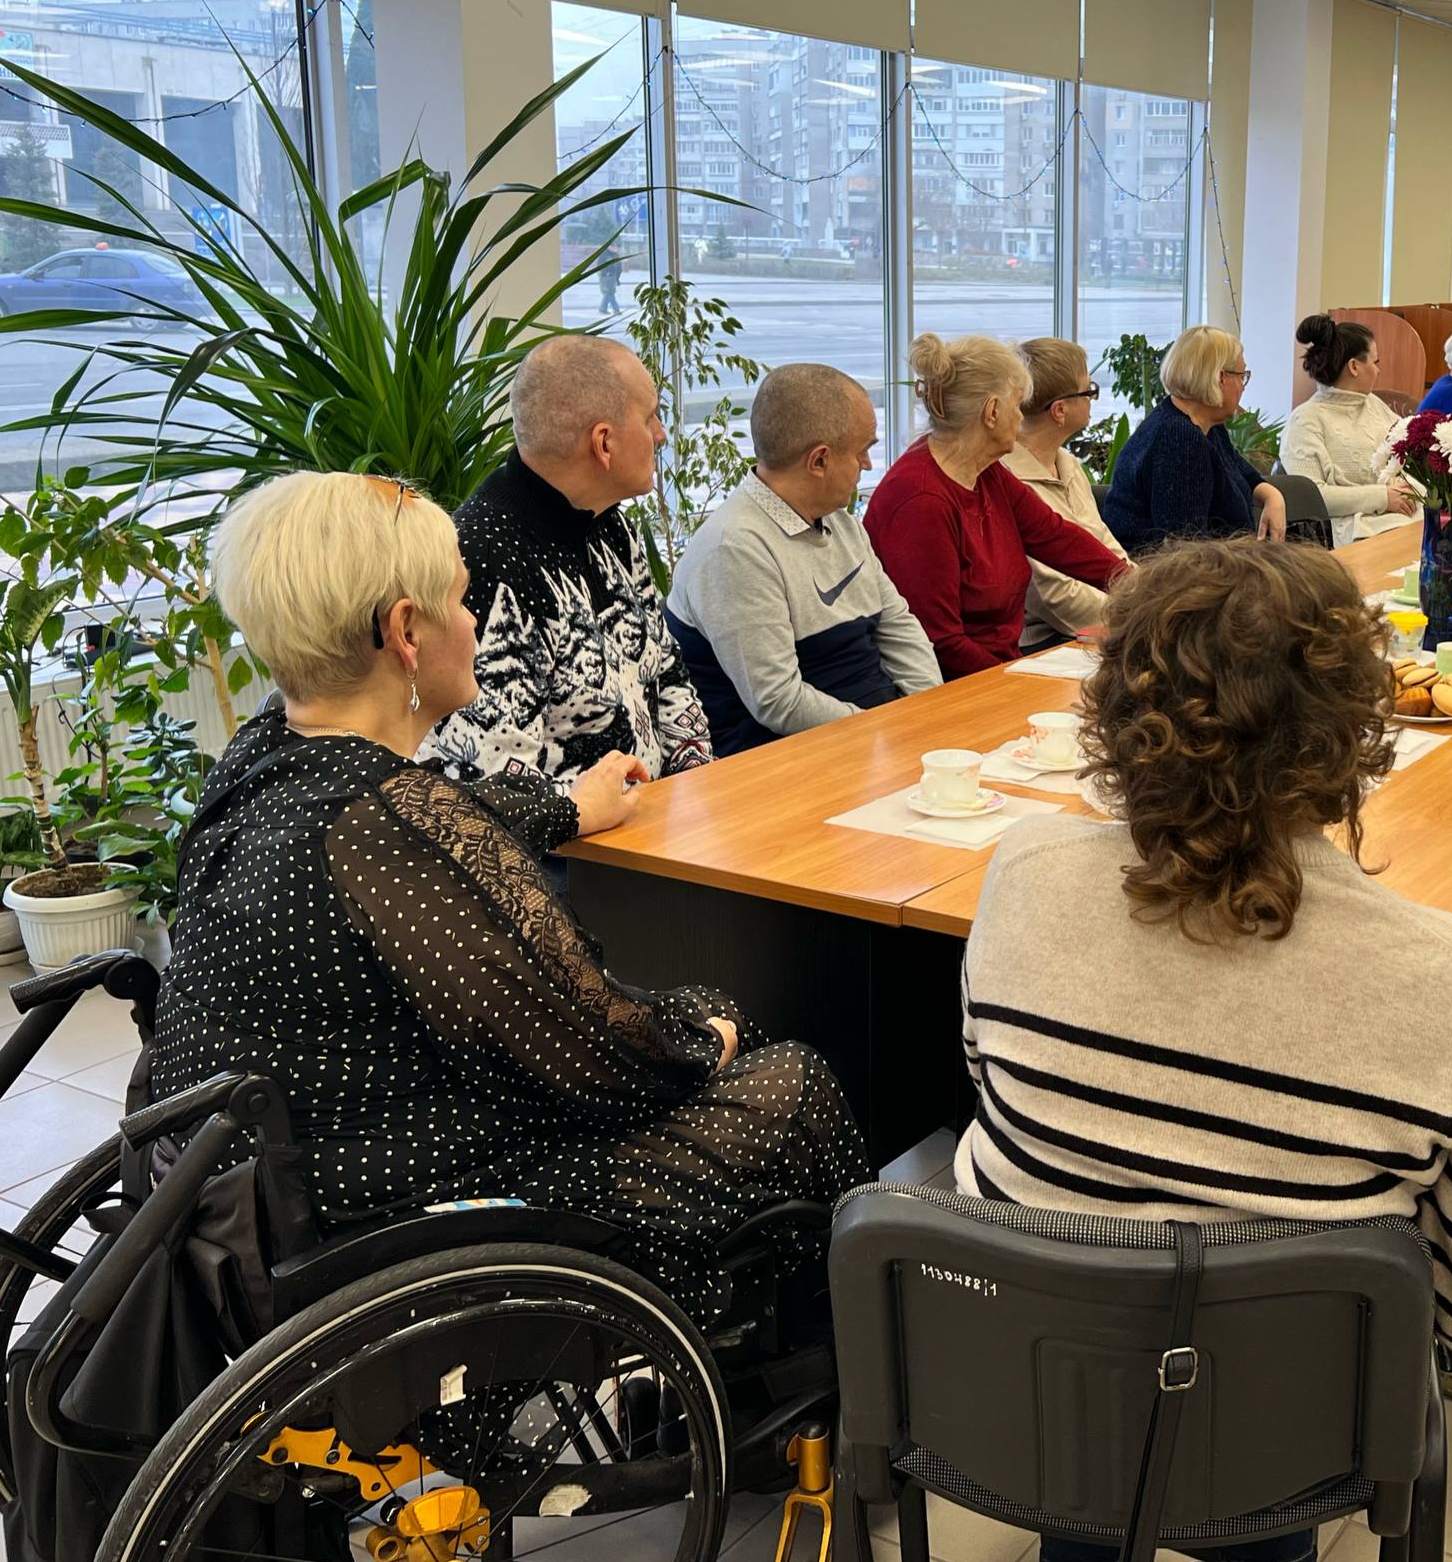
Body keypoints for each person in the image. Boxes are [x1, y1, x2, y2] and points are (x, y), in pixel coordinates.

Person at [155, 471, 870, 1337]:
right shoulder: (389, 837)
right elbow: (607, 1063)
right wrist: (702, 1036)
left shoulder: (267, 759)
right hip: (401, 1231)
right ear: (405, 632)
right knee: (788, 1079)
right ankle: (807, 1373)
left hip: (259, 1192)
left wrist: (571, 804)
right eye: (464, 603)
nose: (474, 625)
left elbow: (458, 817)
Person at [960, 536, 1452, 1482]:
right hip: (1292, 1429)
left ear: (1115, 713)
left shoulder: (1018, 872)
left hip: (1038, 1388)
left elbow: (990, 1087)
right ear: (1353, 728)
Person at [423, 333, 712, 787]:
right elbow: (497, 781)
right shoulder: (480, 562)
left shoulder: (610, 524)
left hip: (653, 827)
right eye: (650, 416)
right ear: (604, 444)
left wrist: (694, 787)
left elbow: (669, 673)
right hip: (568, 851)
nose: (661, 433)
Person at [666, 362, 941, 755]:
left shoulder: (840, 521)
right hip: (795, 759)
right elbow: (779, 701)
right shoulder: (734, 549)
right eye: (863, 450)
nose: (867, 465)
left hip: (873, 738)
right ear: (819, 461)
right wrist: (884, 732)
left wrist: (930, 710)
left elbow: (897, 624)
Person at [865, 334, 1130, 678]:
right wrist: (1014, 684)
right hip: (961, 684)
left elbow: (1056, 537)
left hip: (1002, 669)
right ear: (992, 412)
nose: (1021, 418)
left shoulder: (987, 473)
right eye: (1017, 404)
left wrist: (1134, 586)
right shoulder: (921, 500)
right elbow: (941, 643)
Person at [1098, 324, 1290, 555]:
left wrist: (1272, 496)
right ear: (1221, 378)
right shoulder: (1180, 439)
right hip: (1175, 580)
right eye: (1242, 376)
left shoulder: (1203, 423)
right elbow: (1186, 551)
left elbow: (1241, 472)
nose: (1243, 386)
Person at [1004, 337, 1130, 649]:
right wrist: (1136, 614)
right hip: (1041, 642)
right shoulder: (1007, 480)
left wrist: (1147, 594)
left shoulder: (1068, 464)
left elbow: (1104, 544)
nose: (1093, 399)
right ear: (1059, 410)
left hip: (1099, 624)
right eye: (1089, 391)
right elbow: (1051, 594)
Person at [1281, 313, 1413, 546]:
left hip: (1399, 517)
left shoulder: (1373, 404)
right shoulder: (1306, 420)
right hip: (1353, 531)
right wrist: (1382, 497)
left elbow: (1407, 451)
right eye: (1375, 362)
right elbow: (1310, 496)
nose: (1378, 371)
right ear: (1354, 366)